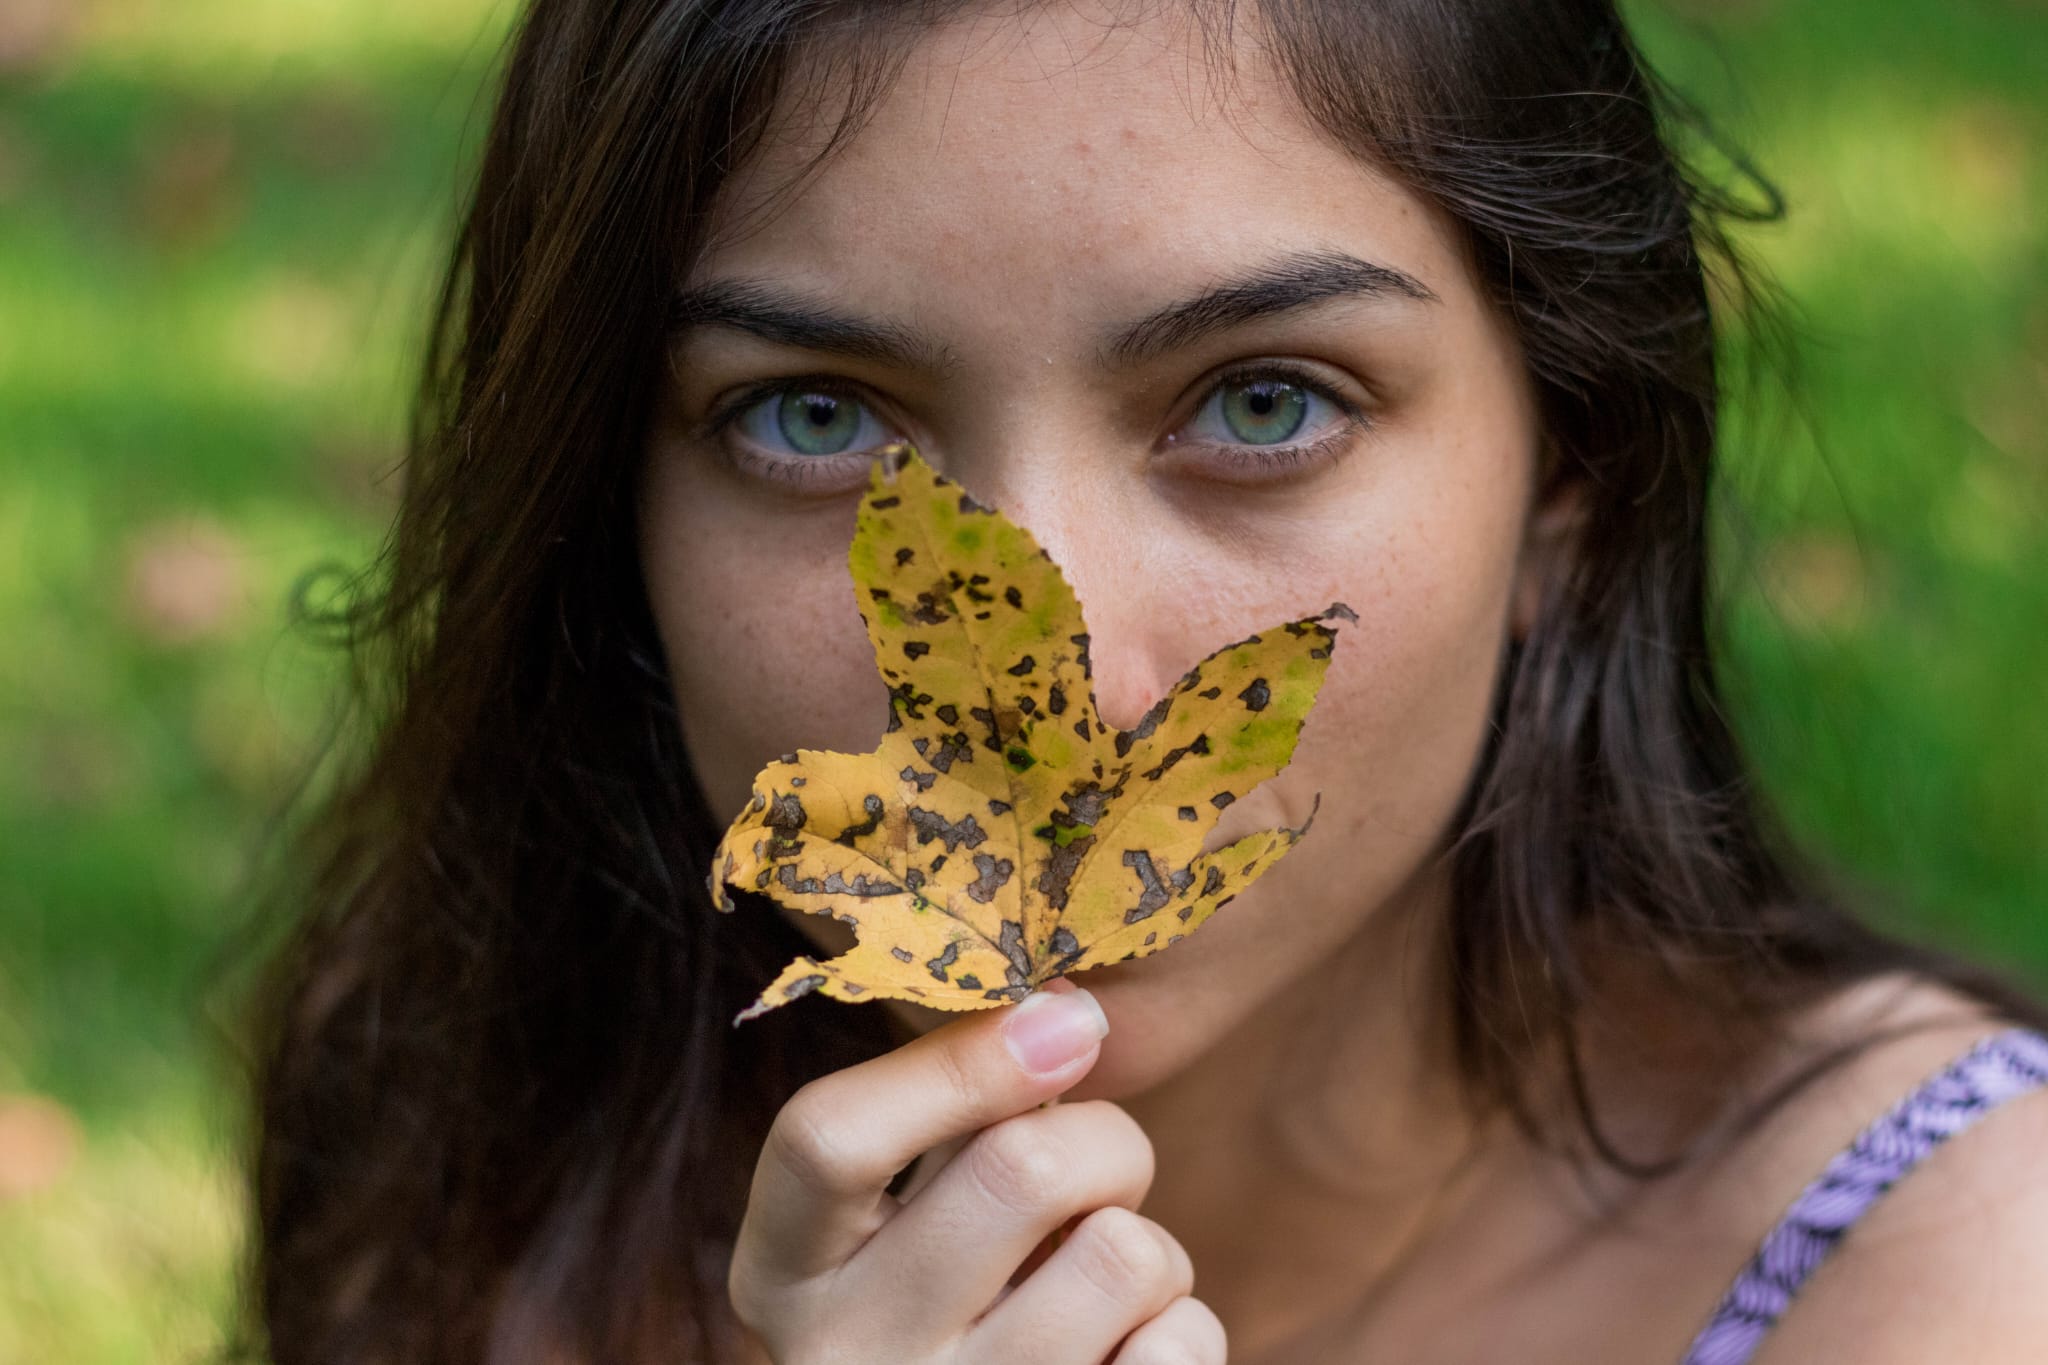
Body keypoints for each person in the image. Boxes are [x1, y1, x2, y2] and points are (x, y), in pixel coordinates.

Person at [237, 1, 2048, 1361]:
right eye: (818, 418)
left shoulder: (1957, 1277)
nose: (1061, 679)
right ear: (608, 511)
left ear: (1568, 487)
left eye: (1265, 402)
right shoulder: (484, 1173)